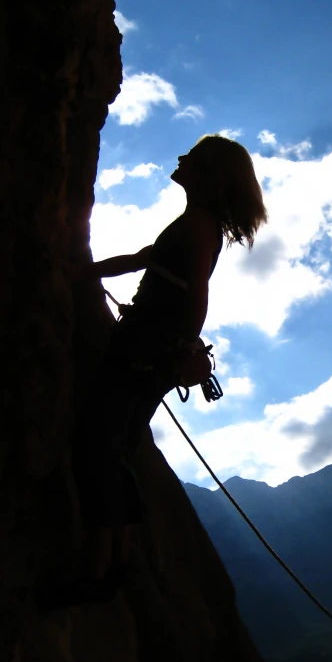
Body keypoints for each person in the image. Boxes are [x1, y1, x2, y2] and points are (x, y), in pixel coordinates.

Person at [46, 135, 267, 609]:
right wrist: (83, 271)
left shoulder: (200, 225)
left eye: (192, 156)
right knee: (113, 448)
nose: (181, 158)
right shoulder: (194, 223)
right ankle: (115, 564)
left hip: (145, 350)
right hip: (149, 349)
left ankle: (101, 569)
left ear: (207, 173)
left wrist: (184, 345)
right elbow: (143, 260)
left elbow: (196, 295)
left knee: (99, 448)